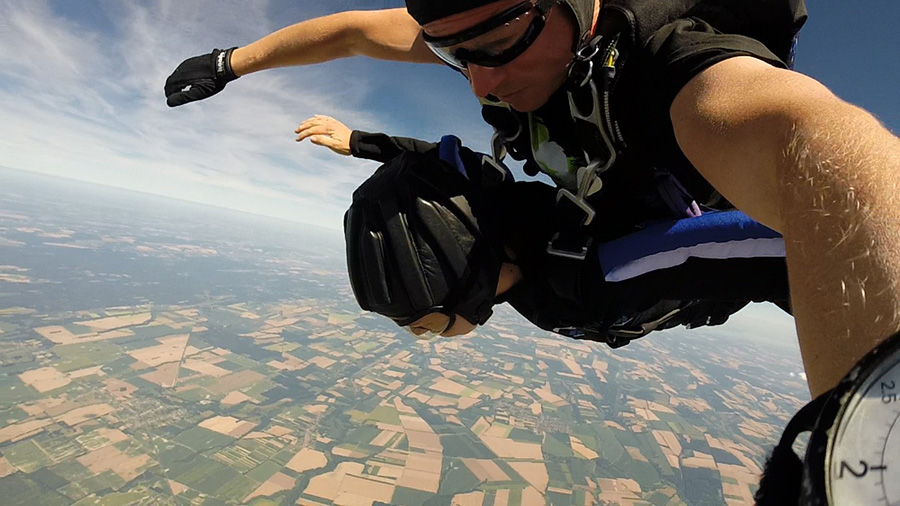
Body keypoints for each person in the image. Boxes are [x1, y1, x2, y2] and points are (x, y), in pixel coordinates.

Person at [165, 0, 900, 397]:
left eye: (499, 42)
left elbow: (811, 146)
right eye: (454, 53)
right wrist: (231, 62)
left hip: (677, 230)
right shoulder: (484, 23)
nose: (479, 82)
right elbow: (359, 32)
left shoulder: (676, 69)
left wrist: (853, 439)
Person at [322, 114, 790, 345]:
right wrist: (361, 143)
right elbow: (440, 165)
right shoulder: (492, 209)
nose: (421, 337)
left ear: (466, 282)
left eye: (426, 326)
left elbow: (752, 246)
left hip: (727, 272)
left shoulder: (594, 280)